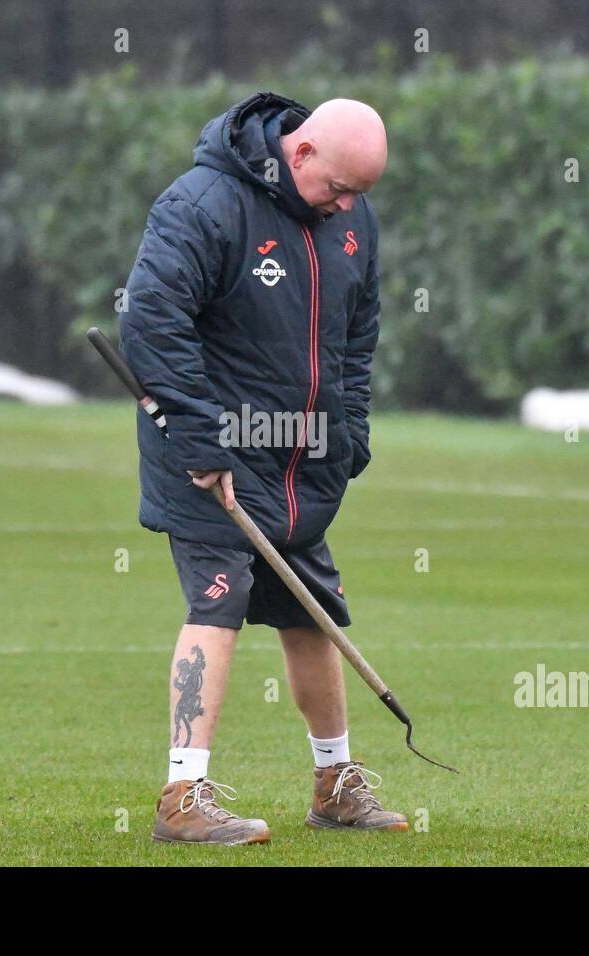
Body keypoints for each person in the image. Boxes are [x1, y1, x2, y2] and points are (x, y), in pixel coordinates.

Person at [120, 92, 406, 845]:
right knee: (218, 602)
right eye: (339, 187)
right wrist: (201, 440)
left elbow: (358, 332)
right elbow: (150, 319)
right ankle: (183, 794)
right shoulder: (204, 204)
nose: (347, 205)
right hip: (208, 457)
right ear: (300, 152)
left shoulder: (351, 219)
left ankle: (335, 784)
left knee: (312, 608)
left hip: (302, 461)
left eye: (360, 195)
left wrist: (351, 433)